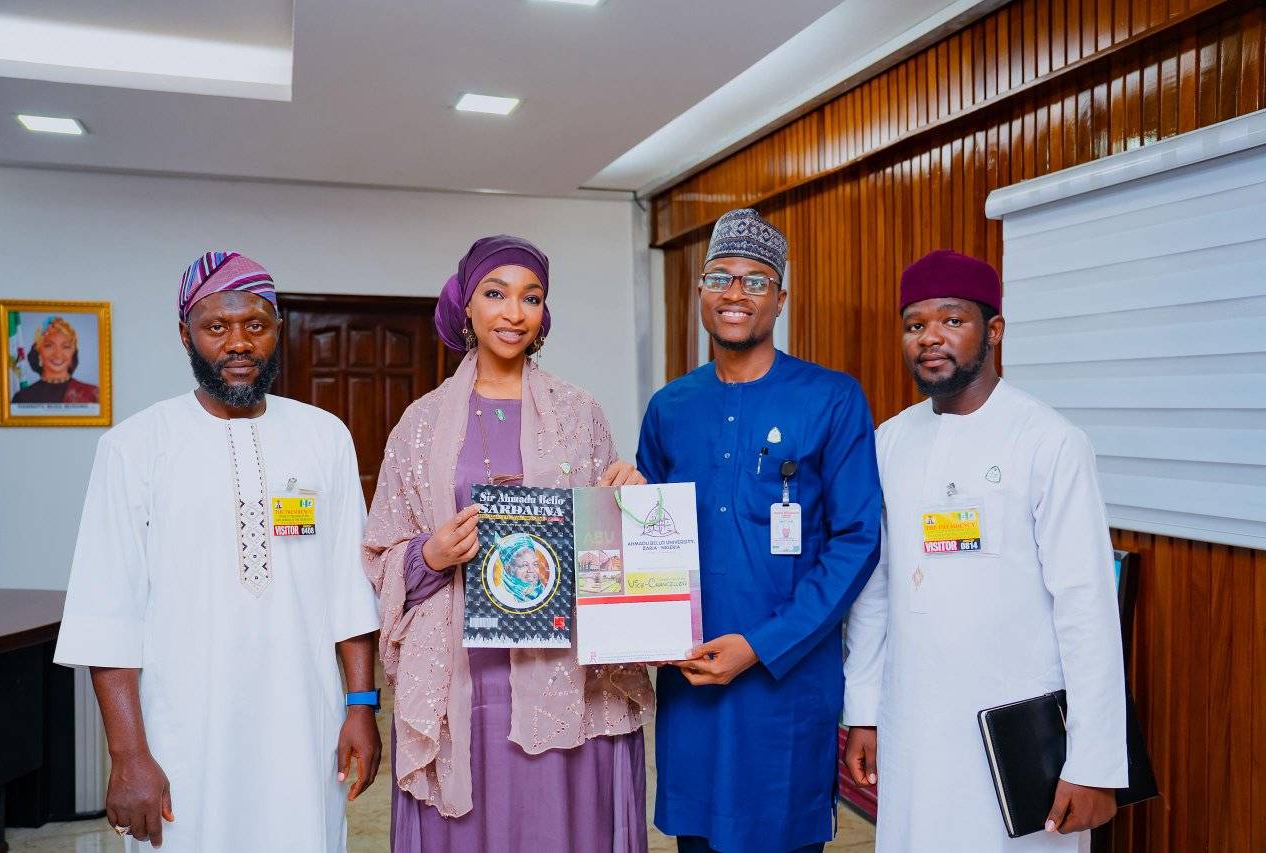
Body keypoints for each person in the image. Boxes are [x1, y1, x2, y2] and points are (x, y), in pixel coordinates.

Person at [54, 251, 381, 851]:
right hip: (182, 736)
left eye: (255, 325)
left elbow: (349, 587)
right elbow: (108, 612)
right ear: (186, 335)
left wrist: (361, 705)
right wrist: (128, 755)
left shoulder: (324, 436)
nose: (238, 343)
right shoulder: (134, 447)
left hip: (303, 725)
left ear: (277, 329)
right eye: (216, 327)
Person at [363, 235, 655, 853]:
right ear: (466, 304)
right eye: (496, 294)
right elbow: (381, 555)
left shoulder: (580, 414)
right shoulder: (420, 424)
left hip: (564, 679)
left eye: (531, 297)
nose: (513, 313)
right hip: (462, 679)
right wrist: (431, 555)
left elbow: (606, 553)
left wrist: (626, 503)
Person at [842, 249, 1128, 852]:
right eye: (915, 324)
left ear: (994, 330)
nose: (930, 338)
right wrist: (862, 710)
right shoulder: (888, 442)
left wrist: (1094, 761)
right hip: (913, 724)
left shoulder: (1049, 442)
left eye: (952, 320)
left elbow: (1087, 608)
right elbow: (874, 588)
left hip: (1017, 729)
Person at [635, 208, 882, 853]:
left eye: (755, 280)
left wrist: (762, 645)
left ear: (780, 298)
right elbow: (648, 540)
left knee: (781, 834)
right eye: (720, 277)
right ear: (700, 291)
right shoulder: (670, 407)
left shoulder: (832, 398)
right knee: (697, 837)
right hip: (691, 674)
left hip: (786, 677)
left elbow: (857, 540)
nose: (735, 294)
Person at [11, 315, 99, 404]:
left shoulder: (93, 395)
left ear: (73, 352)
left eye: (66, 347)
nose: (58, 354)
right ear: (38, 352)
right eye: (49, 346)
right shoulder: (22, 398)